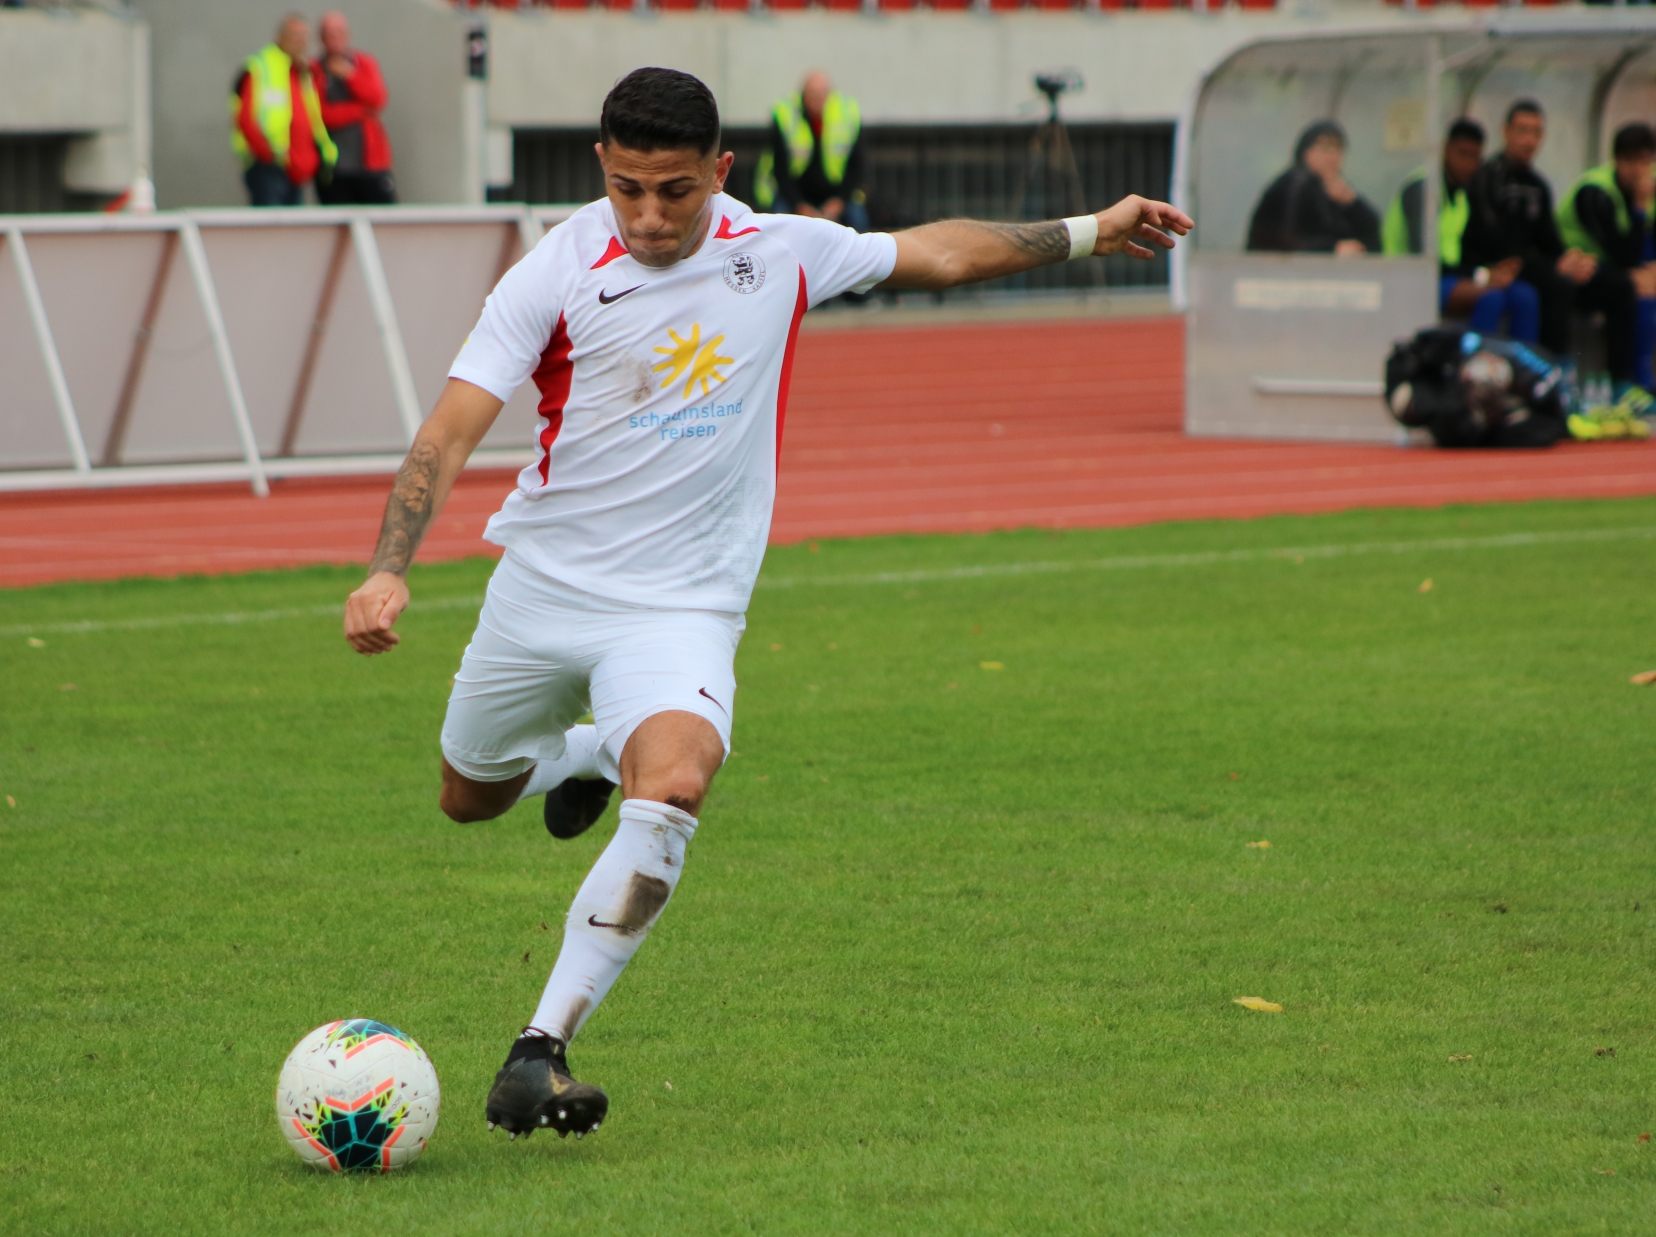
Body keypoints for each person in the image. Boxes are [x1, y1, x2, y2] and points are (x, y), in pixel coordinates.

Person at [340, 66, 1190, 1140]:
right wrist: (389, 565)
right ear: (601, 167)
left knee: (678, 780)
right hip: (543, 588)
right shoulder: (552, 271)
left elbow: (937, 253)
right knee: (470, 797)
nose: (650, 216)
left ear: (721, 172)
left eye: (676, 190)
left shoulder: (777, 251)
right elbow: (450, 428)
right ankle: (589, 754)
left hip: (682, 609)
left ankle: (539, 1046)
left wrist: (1090, 230)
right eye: (627, 188)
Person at [1460, 99, 1597, 359]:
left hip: (1530, 266)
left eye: (1536, 132)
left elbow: (1549, 240)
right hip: (1490, 265)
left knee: (1601, 281)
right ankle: (1549, 362)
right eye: (1522, 130)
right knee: (1549, 285)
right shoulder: (1488, 178)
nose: (1529, 140)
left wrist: (1571, 260)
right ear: (1506, 132)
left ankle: (1602, 373)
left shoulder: (1538, 186)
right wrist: (1553, 266)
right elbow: (1493, 241)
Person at [1383, 119, 1538, 343]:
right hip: (1411, 279)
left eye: (1475, 157)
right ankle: (1477, 361)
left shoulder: (1462, 194)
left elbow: (1466, 249)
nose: (1469, 164)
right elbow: (1424, 259)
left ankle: (1523, 361)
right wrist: (1481, 275)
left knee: (1525, 297)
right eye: (1463, 154)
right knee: (1490, 297)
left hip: (1450, 275)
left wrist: (1495, 269)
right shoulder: (1421, 189)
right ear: (1446, 150)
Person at [1555, 122, 1656, 393]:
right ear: (1617, 161)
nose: (1640, 170)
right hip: (1580, 269)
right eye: (1631, 161)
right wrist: (1639, 208)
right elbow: (1623, 254)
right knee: (1633, 287)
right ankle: (1630, 382)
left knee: (1646, 281)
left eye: (1646, 161)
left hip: (1616, 266)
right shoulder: (1594, 191)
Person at [231, 13, 335, 207]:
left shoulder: (303, 72)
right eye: (294, 36)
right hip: (269, 167)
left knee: (293, 224)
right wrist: (271, 154)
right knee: (271, 223)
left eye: (304, 37)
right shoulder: (261, 67)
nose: (300, 42)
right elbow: (245, 120)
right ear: (279, 37)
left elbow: (312, 118)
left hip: (296, 170)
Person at [753, 71, 867, 230]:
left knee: (858, 220)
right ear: (803, 95)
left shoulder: (847, 114)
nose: (817, 100)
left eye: (822, 94)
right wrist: (800, 206)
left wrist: (839, 202)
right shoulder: (786, 115)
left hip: (835, 193)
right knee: (779, 221)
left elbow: (857, 167)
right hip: (795, 193)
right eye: (812, 94)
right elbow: (780, 171)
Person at [1246, 120, 1381, 255]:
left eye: (1338, 148)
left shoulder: (1338, 190)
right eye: (1324, 148)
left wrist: (1353, 203)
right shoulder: (1293, 186)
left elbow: (1376, 238)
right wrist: (1332, 249)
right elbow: (1285, 242)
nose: (1332, 155)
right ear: (1306, 153)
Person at [313, 11, 395, 206]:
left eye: (339, 33)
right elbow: (321, 115)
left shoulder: (364, 63)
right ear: (322, 38)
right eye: (330, 34)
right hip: (334, 166)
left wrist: (350, 75)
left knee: (382, 215)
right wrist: (360, 111)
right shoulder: (314, 69)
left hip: (370, 163)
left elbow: (377, 100)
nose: (335, 39)